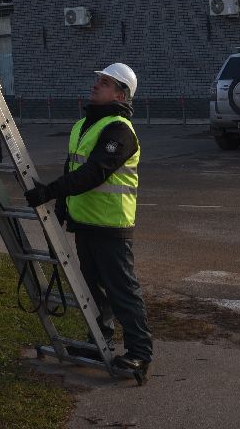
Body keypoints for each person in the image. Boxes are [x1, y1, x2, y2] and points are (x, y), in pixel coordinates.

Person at [25, 62, 152, 380]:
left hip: (112, 226)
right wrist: (62, 206)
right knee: (93, 291)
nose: (96, 85)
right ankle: (100, 342)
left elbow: (95, 173)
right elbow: (74, 169)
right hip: (86, 223)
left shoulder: (120, 131)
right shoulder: (84, 125)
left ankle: (139, 354)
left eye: (105, 82)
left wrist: (50, 192)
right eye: (98, 80)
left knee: (122, 291)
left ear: (120, 94)